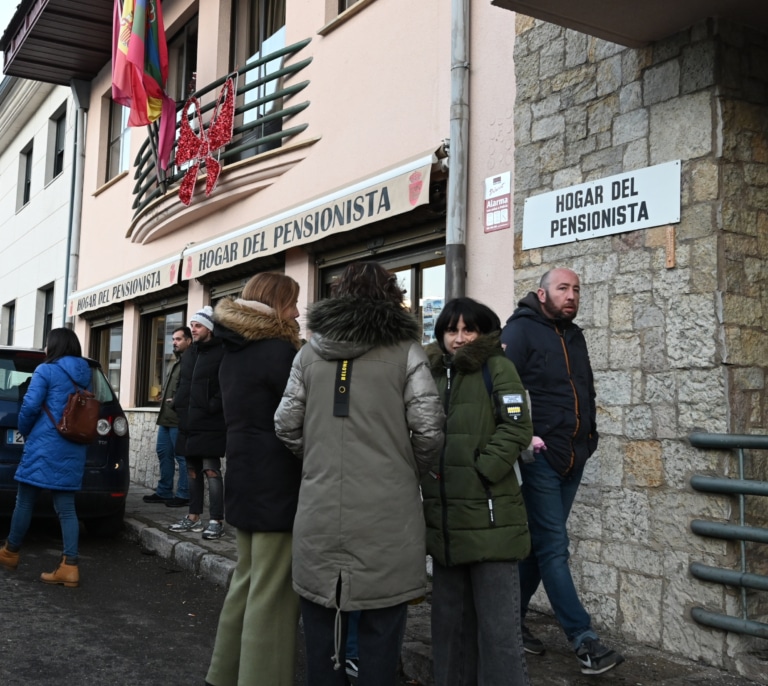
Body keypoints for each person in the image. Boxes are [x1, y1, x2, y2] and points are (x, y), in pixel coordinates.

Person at [274, 261, 444, 686]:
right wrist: (404, 469)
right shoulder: (406, 351)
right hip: (389, 513)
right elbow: (429, 429)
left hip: (319, 506)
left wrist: (320, 460)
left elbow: (285, 424)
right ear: (393, 296)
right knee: (382, 630)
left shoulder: (309, 352)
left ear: (339, 295)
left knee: (320, 630)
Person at [501, 268, 624, 675]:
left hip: (575, 456)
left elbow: (584, 389)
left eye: (576, 290)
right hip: (540, 460)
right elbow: (502, 390)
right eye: (563, 289)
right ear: (542, 293)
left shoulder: (574, 334)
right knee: (554, 547)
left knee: (540, 547)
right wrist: (526, 439)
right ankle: (584, 640)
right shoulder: (519, 332)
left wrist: (589, 440)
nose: (571, 296)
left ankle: (508, 622)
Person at [421, 297, 533, 686]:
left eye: (469, 329)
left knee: (498, 631)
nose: (460, 337)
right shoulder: (429, 372)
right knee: (450, 629)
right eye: (452, 330)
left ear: (483, 332)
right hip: (446, 521)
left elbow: (516, 427)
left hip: (492, 518)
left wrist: (483, 470)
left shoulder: (499, 368)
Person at [205, 273, 303, 686]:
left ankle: (223, 674)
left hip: (244, 478)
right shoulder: (279, 353)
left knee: (246, 581)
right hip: (277, 481)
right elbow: (299, 419)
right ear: (277, 304)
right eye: (293, 302)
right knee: (274, 593)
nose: (298, 311)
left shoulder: (235, 351)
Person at [0, 328, 92, 587]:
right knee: (66, 508)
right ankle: (69, 566)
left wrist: (27, 431)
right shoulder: (86, 374)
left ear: (54, 347)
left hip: (44, 444)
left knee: (25, 500)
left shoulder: (45, 370)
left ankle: (10, 552)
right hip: (73, 445)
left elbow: (30, 406)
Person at [169, 306, 227, 540]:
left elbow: (225, 386)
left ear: (210, 328)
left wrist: (211, 406)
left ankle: (216, 520)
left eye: (198, 325)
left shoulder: (223, 351)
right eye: (192, 325)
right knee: (192, 470)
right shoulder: (190, 352)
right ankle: (193, 517)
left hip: (211, 422)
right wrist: (179, 404)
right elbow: (184, 383)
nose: (193, 329)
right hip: (188, 421)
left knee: (211, 470)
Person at [143, 326, 192, 507]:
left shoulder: (190, 360)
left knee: (182, 457)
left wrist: (176, 400)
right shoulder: (176, 361)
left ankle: (184, 494)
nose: (174, 342)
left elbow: (190, 388)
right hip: (166, 417)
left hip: (178, 418)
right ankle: (164, 491)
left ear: (189, 341)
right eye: (173, 339)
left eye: (178, 339)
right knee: (164, 454)